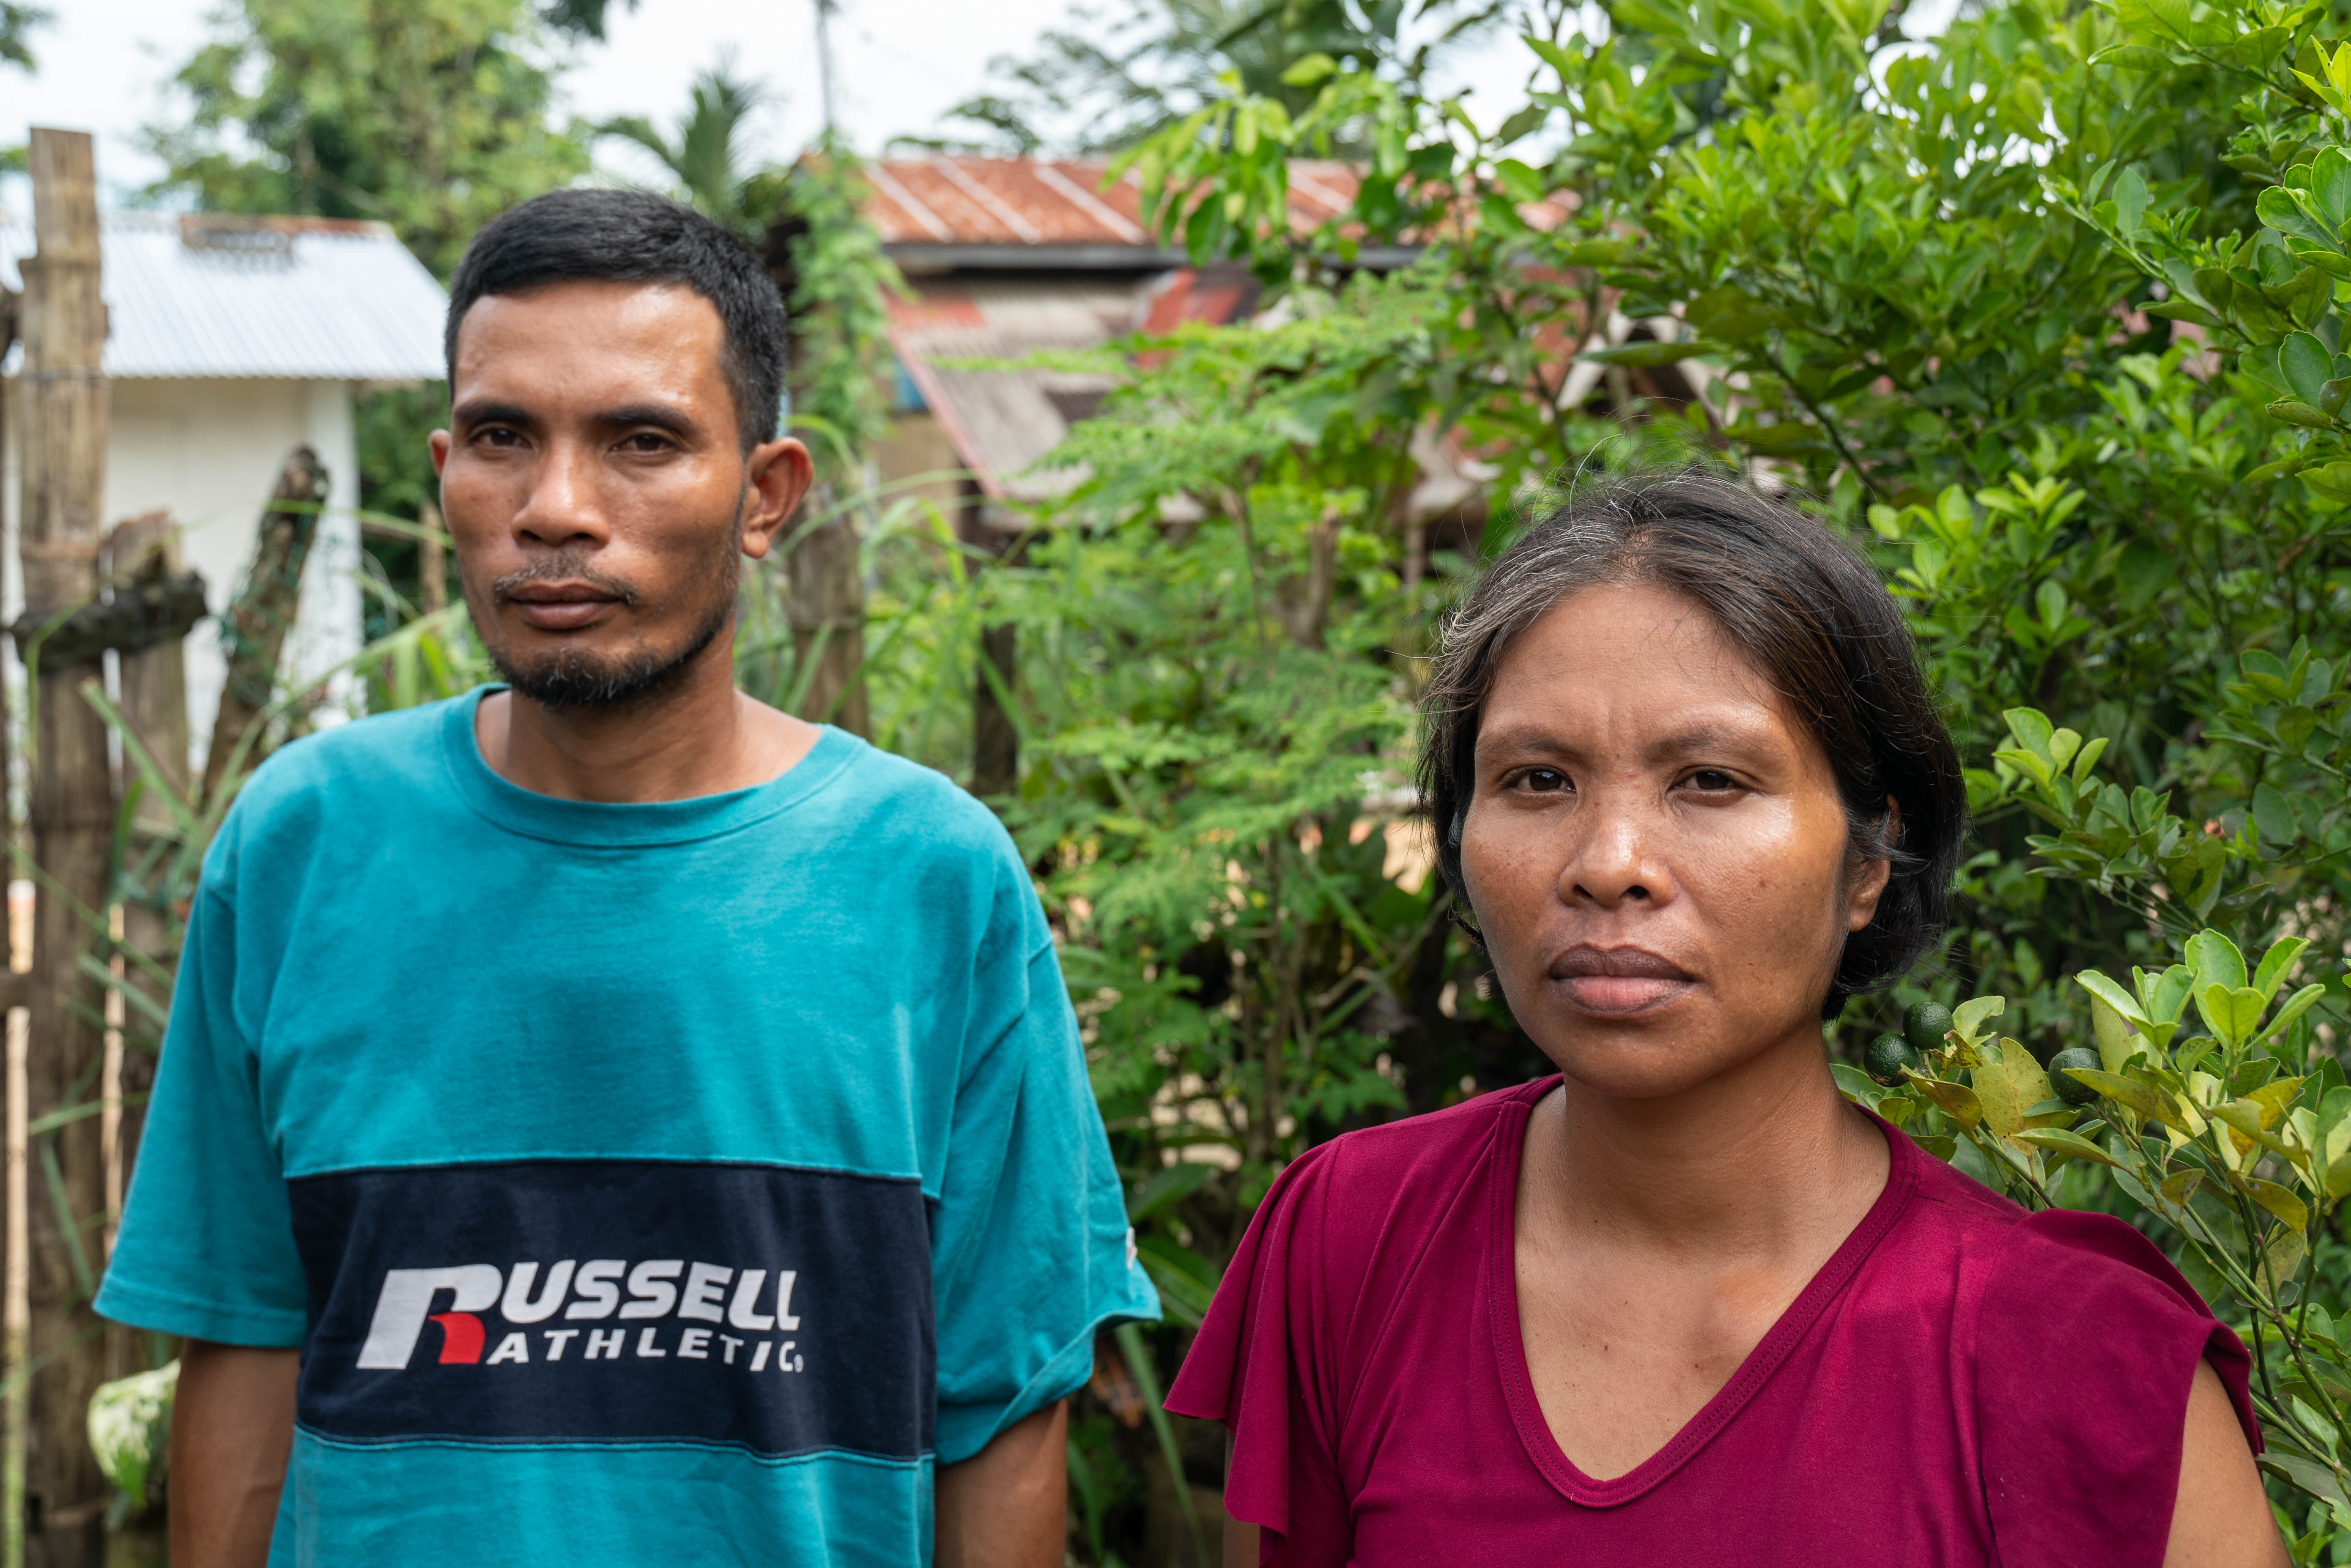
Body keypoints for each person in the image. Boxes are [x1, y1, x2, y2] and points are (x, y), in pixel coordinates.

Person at [97, 188, 1156, 1568]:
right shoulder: (303, 846)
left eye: (641, 442)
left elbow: (1001, 1405)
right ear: (443, 471)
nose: (555, 509)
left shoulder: (930, 880)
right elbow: (241, 1340)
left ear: (767, 495)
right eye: (500, 439)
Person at [1165, 472, 2283, 1567]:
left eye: (1710, 780)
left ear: (1867, 857)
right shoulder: (1353, 1240)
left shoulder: (2077, 1360)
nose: (1610, 866)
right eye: (1538, 781)